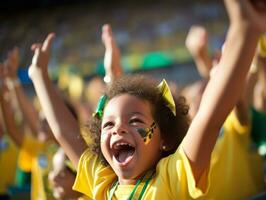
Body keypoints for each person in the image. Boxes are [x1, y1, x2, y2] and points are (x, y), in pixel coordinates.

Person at [28, 0, 266, 199]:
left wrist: (245, 29)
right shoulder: (101, 182)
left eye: (134, 121)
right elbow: (64, 131)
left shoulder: (172, 178)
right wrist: (39, 77)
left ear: (165, 139)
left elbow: (210, 117)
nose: (117, 129)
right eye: (108, 124)